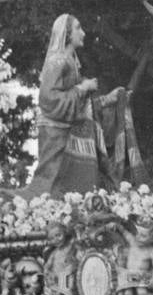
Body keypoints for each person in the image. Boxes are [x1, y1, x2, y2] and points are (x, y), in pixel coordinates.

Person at [24, 14, 125, 199]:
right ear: (67, 34)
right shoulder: (58, 61)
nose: (84, 33)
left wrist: (106, 100)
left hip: (70, 137)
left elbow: (80, 108)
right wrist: (82, 88)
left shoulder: (70, 62)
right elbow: (48, 99)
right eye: (79, 28)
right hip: (56, 138)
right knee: (49, 191)